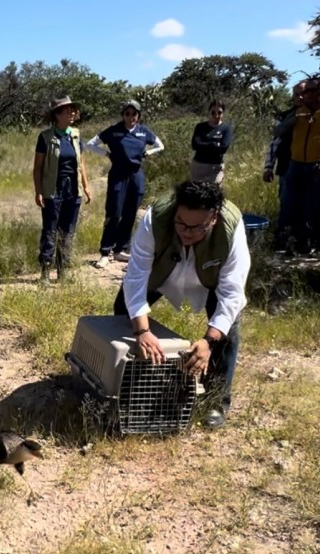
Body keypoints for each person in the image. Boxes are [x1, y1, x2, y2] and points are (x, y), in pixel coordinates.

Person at [114, 180, 250, 429]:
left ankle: (216, 401)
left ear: (213, 219)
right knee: (124, 312)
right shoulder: (156, 218)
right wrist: (142, 331)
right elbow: (135, 277)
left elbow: (232, 294)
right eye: (180, 223)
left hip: (209, 278)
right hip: (162, 272)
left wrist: (208, 341)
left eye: (196, 227)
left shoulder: (231, 228)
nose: (186, 232)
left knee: (228, 333)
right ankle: (129, 385)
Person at [86, 100, 164, 269]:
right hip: (118, 175)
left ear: (138, 115)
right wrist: (107, 154)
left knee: (130, 213)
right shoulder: (114, 131)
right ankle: (105, 252)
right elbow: (91, 144)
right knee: (114, 212)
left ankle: (121, 249)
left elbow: (160, 145)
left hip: (136, 175)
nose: (131, 117)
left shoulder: (143, 132)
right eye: (127, 113)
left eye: (134, 114)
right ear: (123, 115)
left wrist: (148, 153)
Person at [272, 78, 320, 255]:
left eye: (311, 91)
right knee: (291, 205)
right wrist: (292, 119)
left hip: (318, 165)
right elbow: (278, 132)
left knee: (316, 206)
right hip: (295, 165)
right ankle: (294, 243)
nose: (306, 95)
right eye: (305, 92)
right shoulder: (298, 112)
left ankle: (319, 244)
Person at [33, 96, 92, 281]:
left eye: (73, 110)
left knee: (68, 231)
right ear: (57, 115)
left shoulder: (75, 134)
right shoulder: (45, 137)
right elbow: (38, 167)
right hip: (53, 189)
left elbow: (81, 163)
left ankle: (63, 271)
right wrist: (38, 191)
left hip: (72, 189)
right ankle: (45, 271)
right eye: (67, 111)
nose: (72, 113)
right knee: (50, 230)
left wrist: (86, 186)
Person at [263, 81, 307, 251]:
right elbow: (275, 142)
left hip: (311, 168)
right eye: (296, 94)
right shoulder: (285, 116)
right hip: (286, 166)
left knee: (308, 206)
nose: (300, 97)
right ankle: (283, 240)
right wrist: (268, 166)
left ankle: (305, 241)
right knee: (287, 205)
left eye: (303, 93)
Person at [190, 100, 233, 186]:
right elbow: (195, 145)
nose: (216, 115)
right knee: (197, 190)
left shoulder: (226, 128)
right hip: (199, 166)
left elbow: (223, 148)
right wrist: (213, 145)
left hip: (215, 167)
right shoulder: (200, 127)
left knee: (215, 190)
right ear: (209, 112)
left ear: (223, 113)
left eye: (219, 113)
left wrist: (203, 145)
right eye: (213, 112)